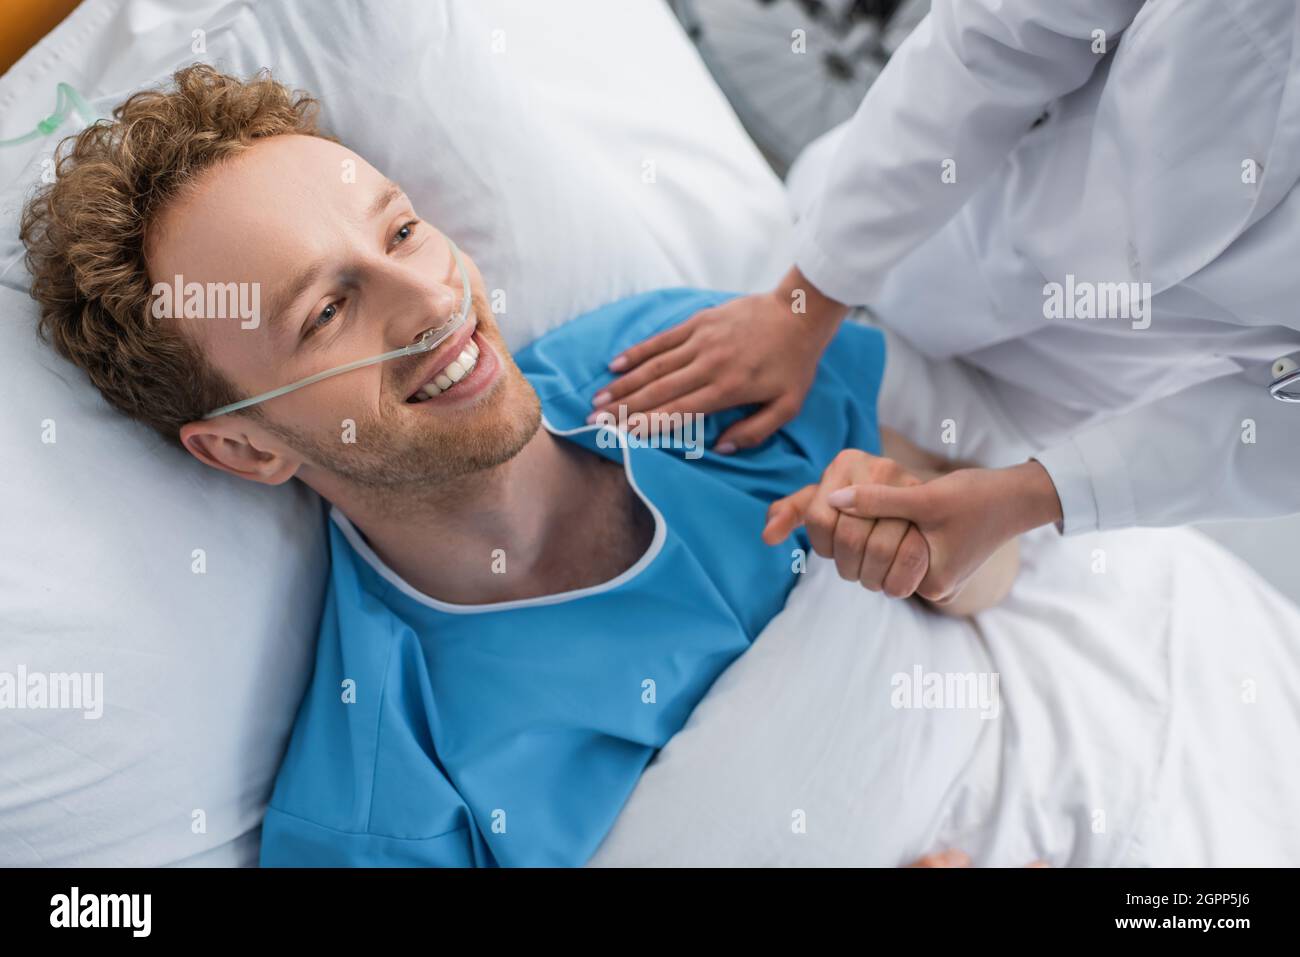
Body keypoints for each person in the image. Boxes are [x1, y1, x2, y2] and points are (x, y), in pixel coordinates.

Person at [19, 65, 1019, 867]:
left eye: (403, 231)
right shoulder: (390, 802)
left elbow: (994, 561)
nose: (426, 299)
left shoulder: (671, 360)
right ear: (244, 445)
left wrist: (931, 540)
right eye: (325, 313)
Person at [595, 0, 1300, 606]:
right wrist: (802, 302)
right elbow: (996, 38)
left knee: (942, 542)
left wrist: (1029, 497)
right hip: (922, 227)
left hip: (1052, 402)